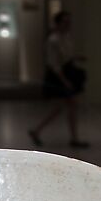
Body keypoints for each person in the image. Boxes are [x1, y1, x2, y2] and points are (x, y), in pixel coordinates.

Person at [29, 11, 88, 148]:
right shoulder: (53, 40)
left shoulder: (66, 37)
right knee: (64, 106)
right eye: (65, 22)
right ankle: (38, 131)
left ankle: (39, 131)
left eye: (69, 22)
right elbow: (54, 64)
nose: (68, 25)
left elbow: (66, 56)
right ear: (58, 23)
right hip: (58, 76)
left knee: (68, 106)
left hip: (67, 73)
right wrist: (65, 81)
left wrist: (76, 58)